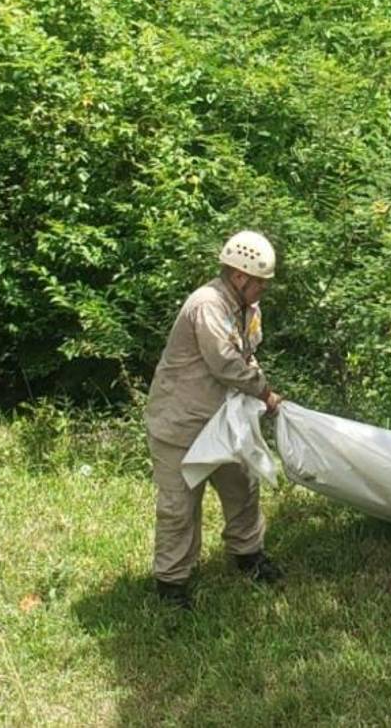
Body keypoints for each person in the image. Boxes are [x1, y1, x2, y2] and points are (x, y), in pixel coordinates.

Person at [143, 230, 284, 610]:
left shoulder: (246, 308)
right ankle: (172, 584)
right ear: (239, 277)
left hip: (223, 420)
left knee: (243, 486)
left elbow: (247, 354)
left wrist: (257, 386)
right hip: (181, 422)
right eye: (260, 283)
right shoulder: (207, 305)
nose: (263, 291)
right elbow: (225, 363)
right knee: (178, 506)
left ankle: (248, 555)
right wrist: (265, 393)